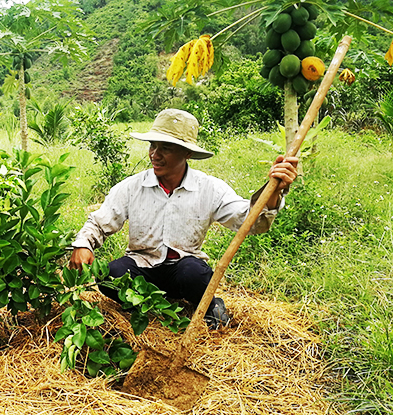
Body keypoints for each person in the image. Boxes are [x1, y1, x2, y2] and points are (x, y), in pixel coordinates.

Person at [69, 109, 299, 329]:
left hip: (184, 270)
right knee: (110, 276)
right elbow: (99, 222)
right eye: (152, 145)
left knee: (194, 273)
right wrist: (83, 244)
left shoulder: (209, 188)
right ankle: (149, 305)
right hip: (143, 267)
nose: (154, 154)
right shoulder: (132, 187)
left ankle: (209, 304)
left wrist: (273, 191)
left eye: (165, 148)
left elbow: (250, 222)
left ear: (187, 153)